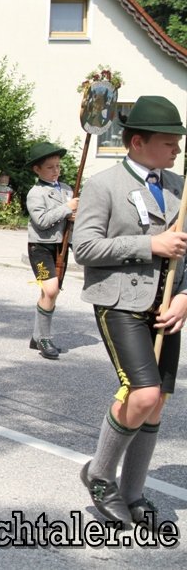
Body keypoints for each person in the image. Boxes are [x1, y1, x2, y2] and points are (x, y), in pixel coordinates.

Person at [74, 95, 187, 530]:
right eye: (168, 142)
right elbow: (86, 248)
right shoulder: (104, 185)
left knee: (157, 403)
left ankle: (134, 491)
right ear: (138, 142)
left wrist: (184, 297)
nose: (176, 149)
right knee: (141, 394)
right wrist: (149, 245)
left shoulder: (179, 186)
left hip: (167, 306)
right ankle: (101, 476)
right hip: (120, 303)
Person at [25, 142, 77, 360]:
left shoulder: (66, 190)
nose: (56, 171)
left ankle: (37, 336)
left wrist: (75, 215)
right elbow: (42, 220)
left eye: (58, 166)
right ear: (37, 169)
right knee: (51, 290)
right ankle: (44, 338)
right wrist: (67, 209)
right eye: (50, 167)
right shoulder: (35, 193)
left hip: (61, 247)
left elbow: (71, 219)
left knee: (50, 293)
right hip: (40, 247)